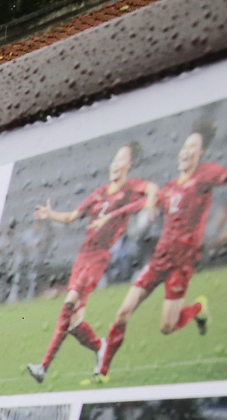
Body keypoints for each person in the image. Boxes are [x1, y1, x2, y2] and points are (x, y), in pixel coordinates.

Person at [93, 128, 227, 381]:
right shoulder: (169, 188)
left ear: (200, 153)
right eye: (185, 147)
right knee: (123, 312)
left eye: (193, 147)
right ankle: (103, 372)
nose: (187, 151)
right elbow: (142, 204)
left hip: (182, 263)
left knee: (167, 327)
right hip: (160, 260)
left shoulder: (205, 175)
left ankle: (198, 308)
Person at [25, 143, 152, 384]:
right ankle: (99, 346)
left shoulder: (131, 190)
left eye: (121, 160)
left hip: (98, 258)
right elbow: (72, 217)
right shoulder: (99, 193)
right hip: (82, 257)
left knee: (68, 303)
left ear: (129, 165)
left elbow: (149, 196)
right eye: (114, 160)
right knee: (73, 323)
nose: (115, 164)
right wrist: (50, 214)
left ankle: (43, 366)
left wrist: (115, 215)